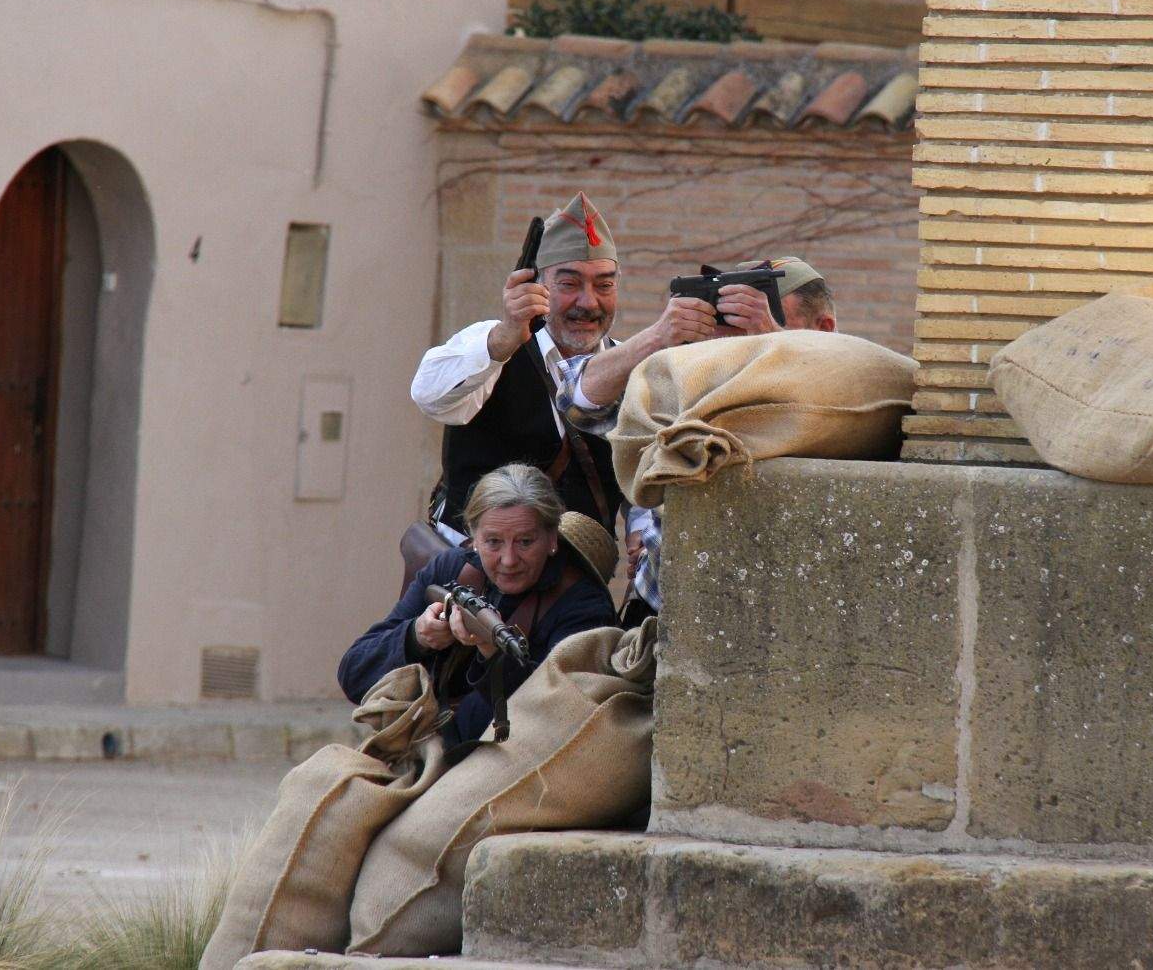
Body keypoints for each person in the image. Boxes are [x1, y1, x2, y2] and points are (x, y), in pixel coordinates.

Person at [561, 256, 839, 623]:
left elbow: (839, 402)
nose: (742, 341)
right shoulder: (697, 378)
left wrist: (775, 343)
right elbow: (579, 401)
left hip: (781, 619)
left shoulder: (848, 393)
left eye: (762, 317)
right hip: (663, 613)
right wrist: (659, 337)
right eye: (731, 320)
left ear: (823, 329)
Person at [410, 192, 635, 545]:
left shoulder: (631, 371)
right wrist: (504, 338)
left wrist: (641, 534)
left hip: (573, 587)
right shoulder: (493, 345)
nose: (589, 302)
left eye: (603, 285)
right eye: (569, 284)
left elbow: (645, 479)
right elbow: (428, 396)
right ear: (538, 286)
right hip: (473, 580)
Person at [339, 463, 618, 747]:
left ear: (552, 539)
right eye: (493, 542)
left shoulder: (582, 604)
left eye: (525, 541)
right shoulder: (453, 569)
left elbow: (561, 718)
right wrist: (417, 636)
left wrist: (493, 653)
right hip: (423, 749)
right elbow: (354, 673)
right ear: (472, 538)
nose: (508, 560)